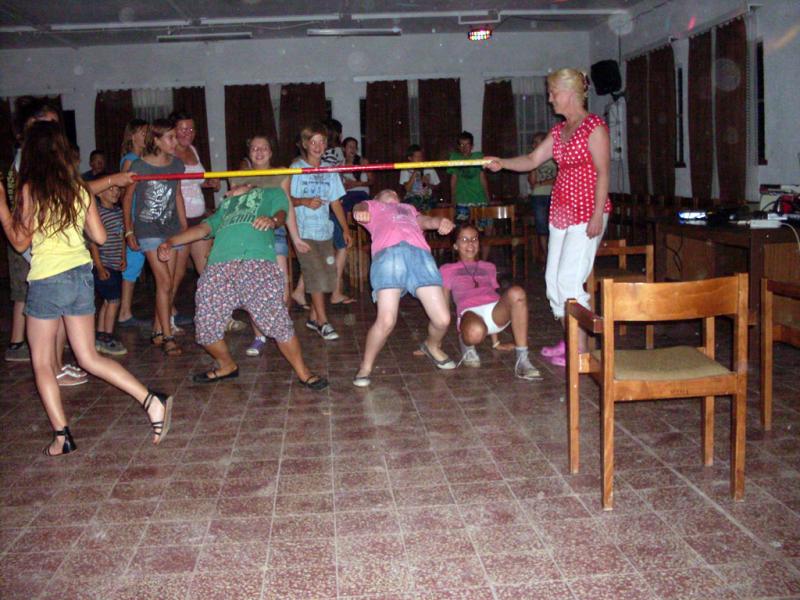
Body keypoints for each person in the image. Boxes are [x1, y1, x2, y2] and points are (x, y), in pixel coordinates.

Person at [0, 121, 173, 456]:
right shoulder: (78, 188)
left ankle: (62, 436)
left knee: (42, 363)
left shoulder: (32, 189)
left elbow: (19, 240)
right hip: (80, 277)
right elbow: (101, 236)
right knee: (89, 357)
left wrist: (3, 209)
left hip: (48, 280)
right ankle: (152, 400)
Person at [485, 68, 611, 366]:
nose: (550, 99)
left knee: (569, 280)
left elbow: (604, 172)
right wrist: (502, 163)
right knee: (553, 281)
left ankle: (580, 350)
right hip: (561, 213)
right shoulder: (559, 131)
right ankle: (570, 340)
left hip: (587, 212)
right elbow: (531, 160)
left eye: (553, 93)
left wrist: (597, 214)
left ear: (569, 93)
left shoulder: (594, 127)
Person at [156, 185, 328, 390]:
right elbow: (203, 229)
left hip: (256, 263)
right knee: (205, 328)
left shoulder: (271, 192)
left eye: (244, 182)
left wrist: (272, 221)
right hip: (218, 268)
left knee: (277, 322)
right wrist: (170, 242)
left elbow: (282, 214)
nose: (237, 185)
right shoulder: (226, 205)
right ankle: (227, 365)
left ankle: (303, 372)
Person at [351, 189, 455, 387]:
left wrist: (440, 222)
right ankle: (366, 366)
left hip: (421, 257)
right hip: (388, 256)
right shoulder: (373, 206)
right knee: (386, 320)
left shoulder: (408, 208)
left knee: (443, 319)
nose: (391, 192)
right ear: (376, 198)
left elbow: (426, 221)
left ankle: (431, 346)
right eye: (386, 191)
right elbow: (359, 207)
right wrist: (360, 210)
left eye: (394, 192)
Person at [228, 134, 305, 356]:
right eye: (254, 148)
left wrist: (296, 238)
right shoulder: (236, 176)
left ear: (270, 152)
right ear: (249, 153)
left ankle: (282, 331)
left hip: (275, 232)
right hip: (248, 236)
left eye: (263, 148)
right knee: (254, 289)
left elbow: (286, 206)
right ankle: (259, 335)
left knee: (282, 289)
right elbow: (232, 209)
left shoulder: (281, 173)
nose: (259, 152)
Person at [440, 224, 541, 380]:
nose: (470, 243)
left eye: (474, 239)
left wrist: (496, 343)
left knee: (517, 293)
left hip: (494, 313)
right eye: (464, 240)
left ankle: (523, 360)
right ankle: (466, 343)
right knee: (475, 331)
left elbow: (493, 298)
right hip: (469, 313)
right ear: (455, 245)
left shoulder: (489, 267)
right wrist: (437, 340)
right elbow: (443, 304)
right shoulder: (447, 269)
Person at [122, 118, 187, 357]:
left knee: (169, 283)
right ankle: (168, 336)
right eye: (170, 137)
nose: (175, 141)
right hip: (148, 229)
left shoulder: (177, 164)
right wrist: (129, 230)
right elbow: (127, 198)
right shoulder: (139, 166)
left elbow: (177, 195)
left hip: (171, 229)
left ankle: (158, 330)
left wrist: (183, 226)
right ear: (156, 141)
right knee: (165, 282)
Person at [281, 122, 351, 341]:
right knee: (315, 276)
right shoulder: (296, 168)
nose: (318, 146)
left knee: (328, 278)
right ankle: (323, 322)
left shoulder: (329, 170)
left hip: (324, 232)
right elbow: (285, 199)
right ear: (305, 144)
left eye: (321, 142)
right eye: (313, 142)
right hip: (303, 232)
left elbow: (335, 202)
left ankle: (313, 318)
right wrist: (304, 201)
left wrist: (345, 229)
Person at [169, 110, 231, 333]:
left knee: (207, 268)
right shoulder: (169, 153)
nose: (188, 132)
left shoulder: (193, 150)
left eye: (191, 128)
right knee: (176, 274)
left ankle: (219, 314)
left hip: (199, 216)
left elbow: (195, 181)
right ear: (173, 130)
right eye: (183, 128)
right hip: (179, 220)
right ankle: (165, 318)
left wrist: (209, 184)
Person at [117, 118, 149, 328]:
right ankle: (124, 312)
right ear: (132, 136)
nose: (147, 136)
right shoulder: (130, 160)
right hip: (135, 219)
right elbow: (124, 195)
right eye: (143, 133)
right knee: (132, 265)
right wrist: (129, 226)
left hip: (145, 218)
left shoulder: (145, 158)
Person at [88, 184, 127, 356]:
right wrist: (99, 266)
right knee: (114, 301)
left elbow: (122, 236)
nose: (115, 192)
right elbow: (93, 243)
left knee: (108, 300)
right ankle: (108, 337)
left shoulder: (118, 212)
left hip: (115, 264)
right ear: (99, 193)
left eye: (117, 189)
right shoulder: (98, 213)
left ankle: (101, 334)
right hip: (104, 265)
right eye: (110, 189)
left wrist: (123, 257)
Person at [321, 119, 355, 306]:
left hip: (321, 203)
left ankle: (300, 291)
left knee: (318, 249)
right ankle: (335, 291)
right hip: (330, 202)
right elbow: (334, 177)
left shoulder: (319, 152)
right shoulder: (336, 152)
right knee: (342, 245)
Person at [527, 132, 558, 264]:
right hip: (538, 196)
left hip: (554, 194)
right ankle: (546, 256)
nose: (534, 145)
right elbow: (532, 182)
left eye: (536, 142)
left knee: (555, 227)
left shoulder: (555, 157)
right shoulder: (534, 159)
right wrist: (533, 165)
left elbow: (559, 178)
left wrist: (541, 183)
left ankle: (554, 256)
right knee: (541, 228)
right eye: (533, 142)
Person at [448, 131, 490, 223]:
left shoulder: (478, 157)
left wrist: (487, 196)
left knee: (483, 226)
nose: (464, 147)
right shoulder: (455, 158)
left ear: (472, 146)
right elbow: (453, 179)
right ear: (458, 146)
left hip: (479, 197)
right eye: (462, 145)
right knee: (462, 227)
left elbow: (482, 177)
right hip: (462, 198)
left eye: (467, 145)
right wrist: (452, 198)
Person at [399, 144, 440, 212]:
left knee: (431, 203)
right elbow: (407, 189)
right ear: (410, 158)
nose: (419, 159)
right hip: (411, 198)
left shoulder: (429, 168)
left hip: (427, 199)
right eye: (416, 157)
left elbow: (438, 187)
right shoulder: (405, 169)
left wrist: (428, 184)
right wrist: (415, 172)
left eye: (421, 156)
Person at [340, 137, 373, 212]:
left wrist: (356, 184)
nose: (353, 149)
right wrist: (345, 186)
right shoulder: (341, 165)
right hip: (347, 195)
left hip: (362, 194)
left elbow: (371, 181)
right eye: (350, 147)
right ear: (343, 149)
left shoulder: (363, 162)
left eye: (355, 147)